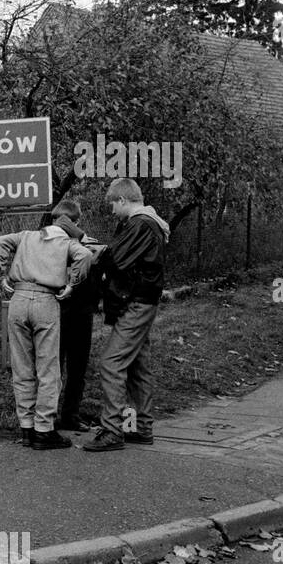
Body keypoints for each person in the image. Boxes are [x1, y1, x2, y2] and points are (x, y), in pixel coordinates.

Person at [0, 210, 94, 449]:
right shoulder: (68, 243)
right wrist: (72, 284)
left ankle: (26, 427)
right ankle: (44, 429)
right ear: (71, 227)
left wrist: (1, 274)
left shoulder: (25, 236)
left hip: (18, 298)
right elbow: (86, 256)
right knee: (48, 368)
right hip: (46, 301)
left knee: (21, 366)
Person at [83, 177, 170, 452]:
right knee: (137, 365)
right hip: (144, 301)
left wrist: (96, 253)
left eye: (113, 205)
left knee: (111, 363)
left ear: (123, 200)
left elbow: (118, 259)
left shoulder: (140, 223)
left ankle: (111, 431)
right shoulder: (149, 223)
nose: (111, 211)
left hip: (136, 303)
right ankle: (142, 428)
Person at [48, 199, 104, 432]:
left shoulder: (86, 246)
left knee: (66, 367)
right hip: (73, 312)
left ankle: (63, 415)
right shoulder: (85, 245)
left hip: (68, 311)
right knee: (64, 367)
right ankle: (62, 415)